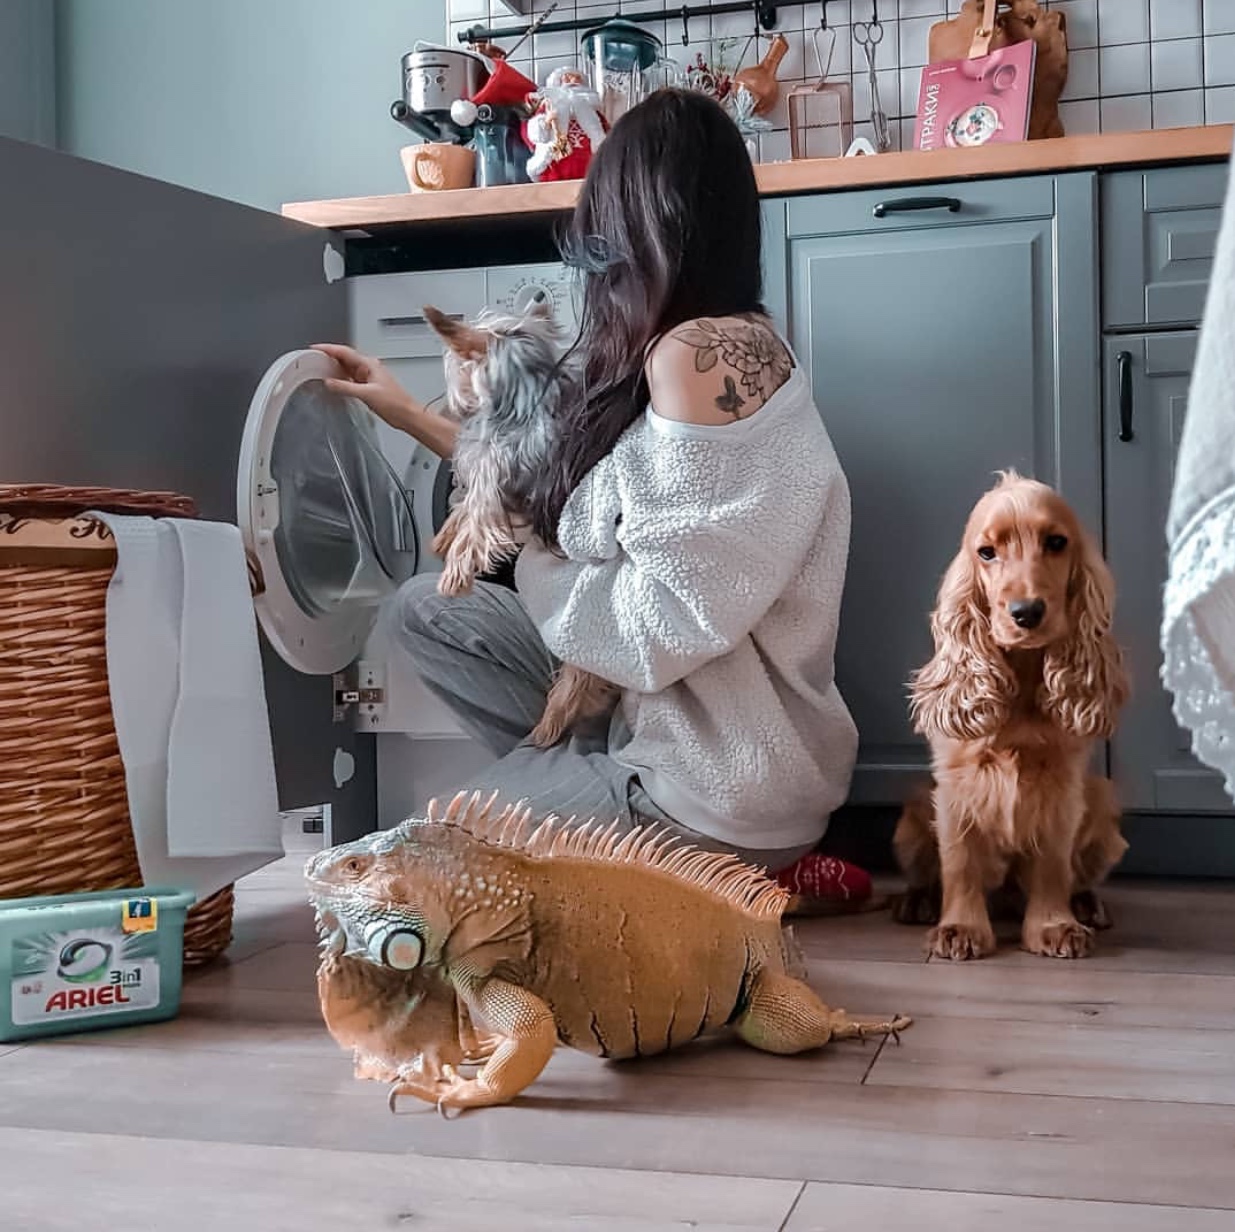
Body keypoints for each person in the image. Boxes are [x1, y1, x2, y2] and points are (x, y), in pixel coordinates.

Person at [314, 88, 870, 908]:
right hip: (678, 741)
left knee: (405, 863)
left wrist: (535, 558)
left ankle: (718, 876)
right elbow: (567, 507)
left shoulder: (694, 357)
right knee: (426, 608)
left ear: (645, 222)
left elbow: (654, 631)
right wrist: (406, 411)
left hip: (713, 789)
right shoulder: (720, 342)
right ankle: (684, 856)